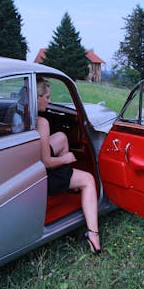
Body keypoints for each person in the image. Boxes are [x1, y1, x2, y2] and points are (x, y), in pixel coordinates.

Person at [36, 78, 101, 253]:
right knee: (88, 179)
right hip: (41, 175)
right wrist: (66, 159)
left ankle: (70, 185)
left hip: (26, 164)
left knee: (62, 137)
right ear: (37, 97)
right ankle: (93, 234)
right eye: (47, 97)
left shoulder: (17, 112)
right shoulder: (41, 122)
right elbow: (46, 162)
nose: (49, 102)